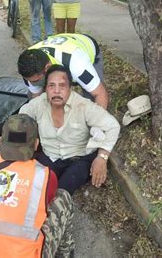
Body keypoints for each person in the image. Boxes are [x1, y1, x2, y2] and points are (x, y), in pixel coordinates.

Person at [0, 114, 74, 258]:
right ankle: (66, 253)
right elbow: (45, 207)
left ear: (0, 141)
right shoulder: (44, 176)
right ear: (36, 144)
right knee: (62, 197)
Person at [19, 65, 120, 195]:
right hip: (50, 156)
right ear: (46, 89)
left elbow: (112, 126)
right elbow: (21, 119)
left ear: (69, 88)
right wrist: (10, 136)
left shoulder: (83, 106)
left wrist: (102, 157)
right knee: (35, 187)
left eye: (62, 86)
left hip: (78, 159)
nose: (56, 91)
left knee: (61, 191)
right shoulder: (38, 104)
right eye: (51, 86)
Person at [17, 33, 109, 109]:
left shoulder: (77, 64)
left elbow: (99, 94)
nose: (32, 83)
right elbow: (35, 97)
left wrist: (97, 125)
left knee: (91, 99)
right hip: (60, 45)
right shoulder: (27, 64)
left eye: (36, 81)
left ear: (47, 67)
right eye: (29, 80)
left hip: (85, 46)